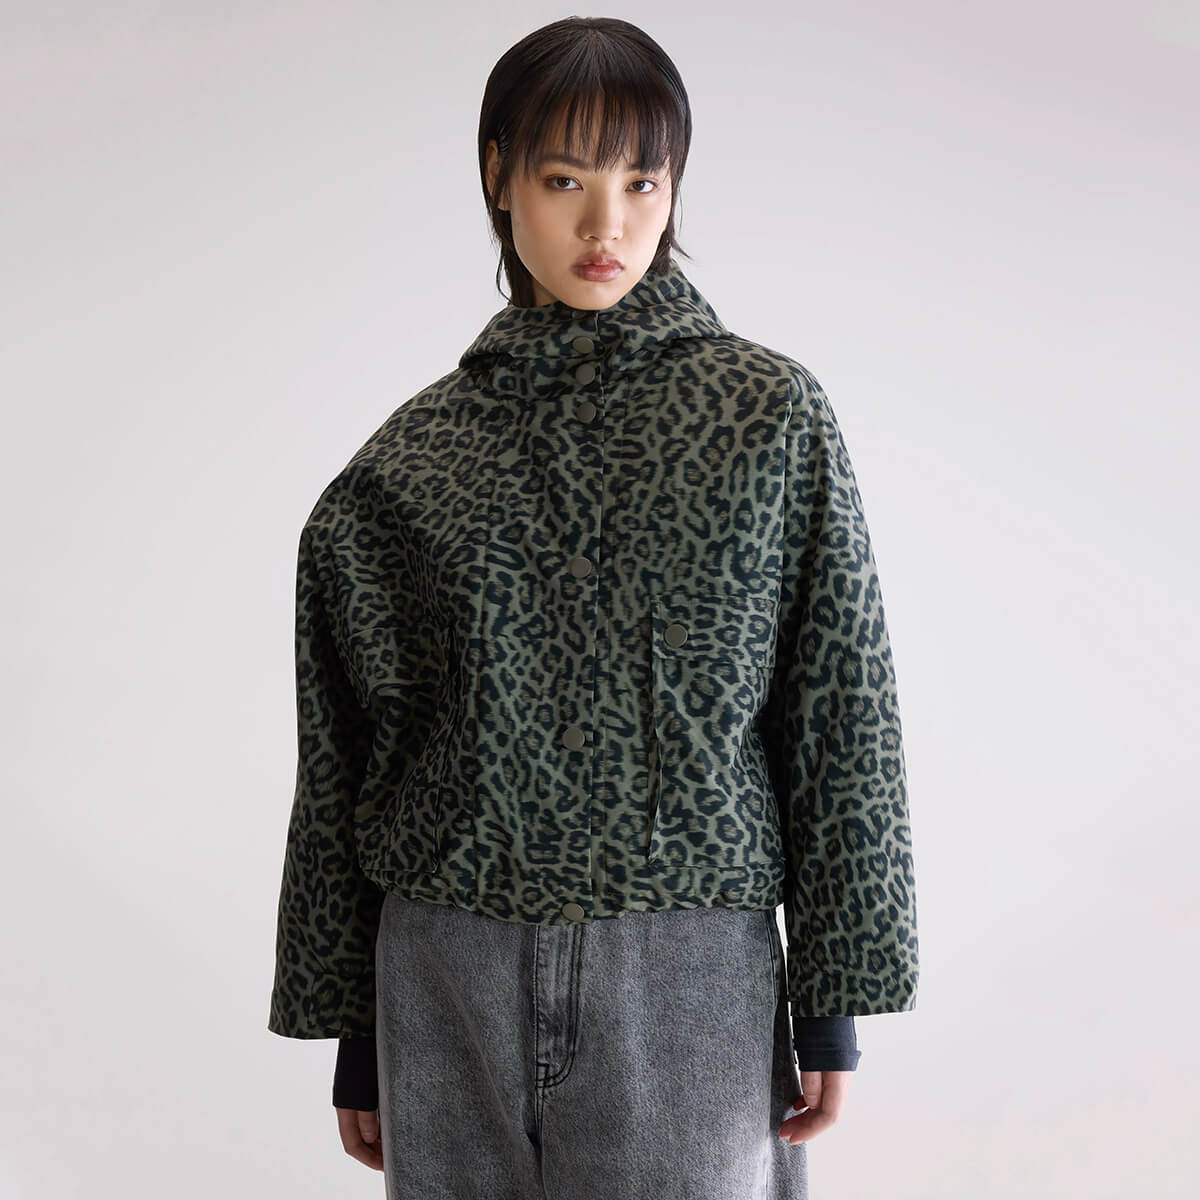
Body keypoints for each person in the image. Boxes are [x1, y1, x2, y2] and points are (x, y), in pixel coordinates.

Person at [268, 16, 919, 1199]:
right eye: (565, 179)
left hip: (687, 971)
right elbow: (348, 763)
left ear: (675, 187)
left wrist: (833, 1004)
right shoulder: (402, 467)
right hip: (445, 970)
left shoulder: (766, 419)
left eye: (641, 182)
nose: (605, 224)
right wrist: (357, 1029)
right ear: (498, 176)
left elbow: (840, 710)